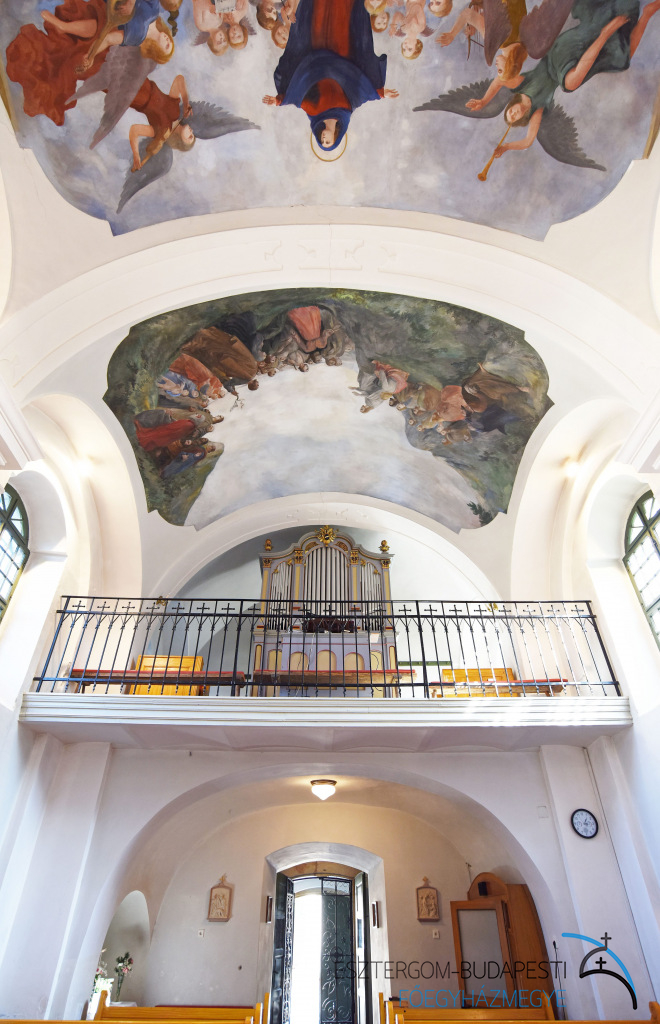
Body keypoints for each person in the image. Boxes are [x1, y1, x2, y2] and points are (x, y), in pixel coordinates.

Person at [469, 0, 660, 160]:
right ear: (521, 119)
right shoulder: (537, 110)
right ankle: (644, 16)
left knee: (571, 82)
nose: (514, 113)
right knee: (613, 62)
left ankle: (606, 33)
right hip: (564, 73)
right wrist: (507, 146)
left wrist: (484, 101)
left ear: (511, 106)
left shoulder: (521, 86)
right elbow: (528, 141)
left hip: (557, 56)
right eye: (515, 117)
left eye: (510, 112)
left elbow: (500, 81)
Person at [262, 0, 398, 153]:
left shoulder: (314, 112)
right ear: (336, 137)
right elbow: (361, 93)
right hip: (342, 51)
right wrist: (381, 93)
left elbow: (296, 97)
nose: (324, 138)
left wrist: (278, 101)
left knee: (319, 13)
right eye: (328, 141)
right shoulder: (346, 110)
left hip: (318, 48)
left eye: (322, 141)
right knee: (342, 14)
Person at [6, 0, 108, 125]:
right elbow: (95, 29)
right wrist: (62, 25)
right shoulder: (68, 63)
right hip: (101, 39)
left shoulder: (59, 46)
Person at [127, 75, 194, 172]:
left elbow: (134, 130)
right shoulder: (176, 112)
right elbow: (179, 80)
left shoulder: (161, 133)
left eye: (190, 136)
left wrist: (136, 155)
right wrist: (186, 102)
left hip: (136, 97)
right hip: (144, 82)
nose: (192, 131)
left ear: (180, 141)